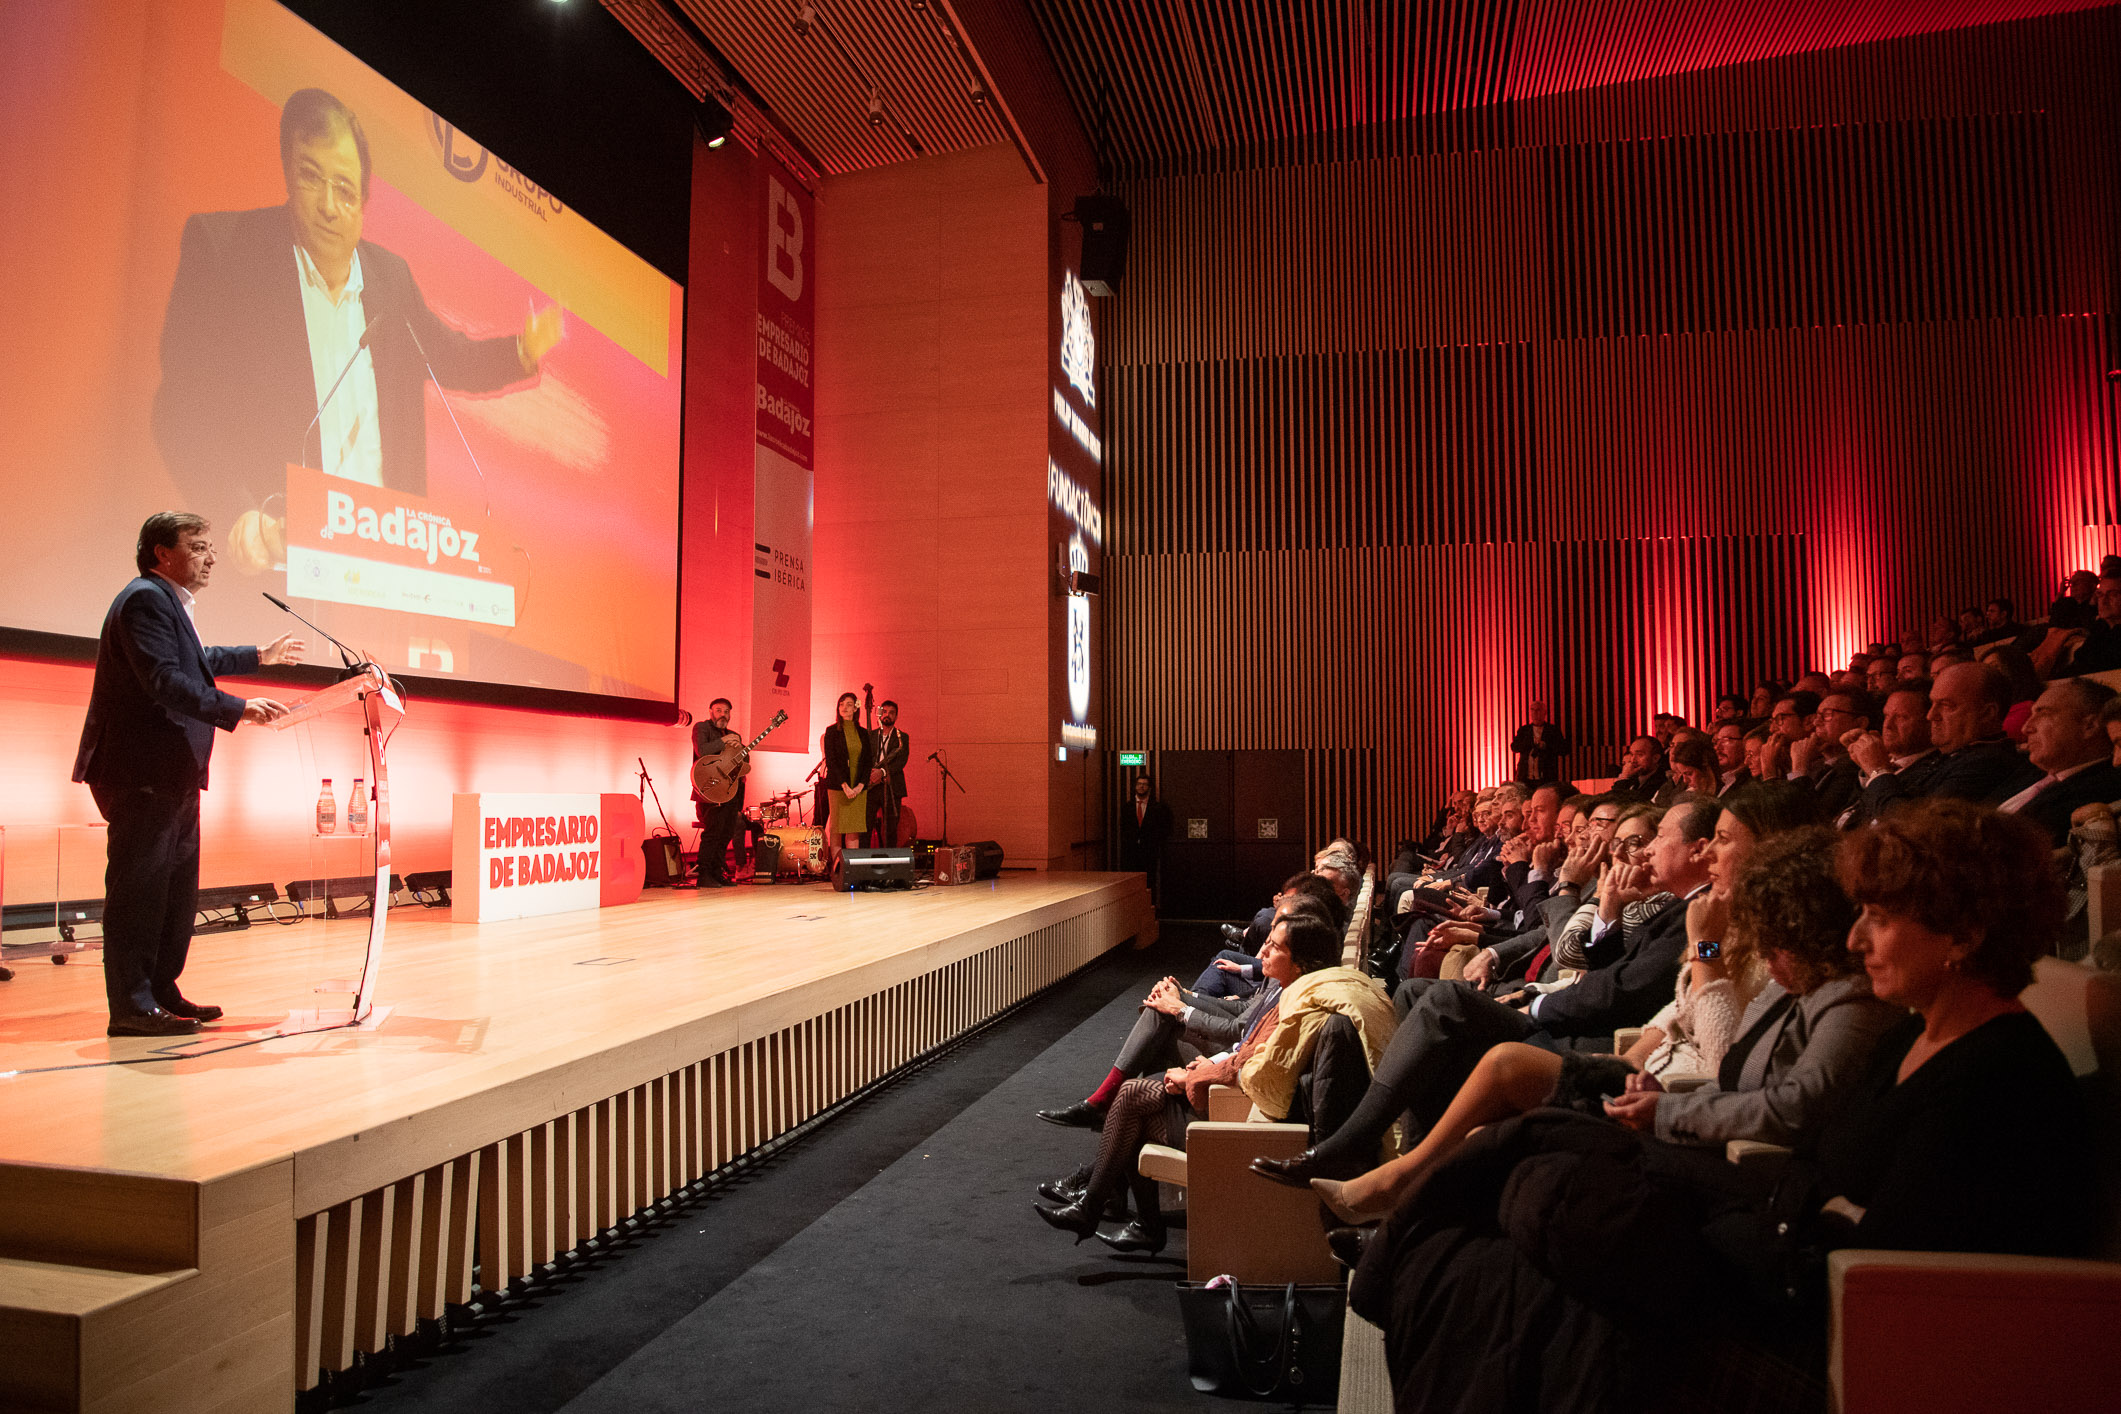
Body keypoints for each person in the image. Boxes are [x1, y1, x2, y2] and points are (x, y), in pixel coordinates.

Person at [1347, 800, 2095, 1414]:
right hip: (1740, 1200)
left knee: (1520, 1226)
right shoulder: (1909, 1030)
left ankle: (1392, 1213)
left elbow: (1879, 1265)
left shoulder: (1984, 1072)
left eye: (1881, 916)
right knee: (1510, 1214)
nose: (1858, 935)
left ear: (1963, 935)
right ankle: (1399, 1219)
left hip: (1823, 1318)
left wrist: (1702, 1197)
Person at [1311, 821, 1898, 1225]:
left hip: (1684, 1111)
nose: (1628, 854)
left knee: (1474, 1051)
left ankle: (1386, 1182)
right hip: (1646, 1069)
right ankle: (1395, 1195)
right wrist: (1602, 910)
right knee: (1438, 1015)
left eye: (1721, 840)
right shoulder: (1722, 926)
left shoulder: (1781, 963)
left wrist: (1701, 953)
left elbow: (1715, 1043)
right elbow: (1669, 1005)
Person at [153, 89, 562, 549]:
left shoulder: (390, 279)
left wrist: (521, 351)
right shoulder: (226, 253)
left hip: (384, 559)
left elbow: (447, 356)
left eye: (345, 190)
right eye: (311, 177)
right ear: (289, 171)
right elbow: (180, 408)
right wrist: (236, 515)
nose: (329, 205)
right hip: (279, 562)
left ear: (364, 202)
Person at [1253, 794, 1724, 1186]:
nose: (1635, 854)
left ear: (1702, 850)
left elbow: (1608, 985)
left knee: (1444, 999)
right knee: (1417, 992)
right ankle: (1380, 1142)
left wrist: (1571, 903)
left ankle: (1356, 1145)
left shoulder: (1700, 919)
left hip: (1588, 1042)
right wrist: (1606, 911)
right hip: (1572, 1010)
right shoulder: (1679, 908)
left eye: (1649, 840)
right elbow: (1600, 969)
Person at [1032, 904, 1387, 1253]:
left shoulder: (1297, 1004)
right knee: (1134, 1096)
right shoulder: (1299, 991)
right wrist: (1204, 1057)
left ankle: (1109, 1208)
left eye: (1274, 946)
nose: (1261, 949)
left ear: (1301, 961)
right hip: (1239, 1097)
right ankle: (1115, 1211)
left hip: (1247, 1125)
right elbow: (1248, 1054)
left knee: (1132, 1100)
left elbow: (1254, 1070)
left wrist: (1198, 1076)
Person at [75, 514, 302, 1036]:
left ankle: (160, 989)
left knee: (175, 892)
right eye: (198, 546)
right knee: (140, 890)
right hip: (141, 771)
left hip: (171, 771)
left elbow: (196, 660)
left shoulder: (166, 602)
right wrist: (239, 708)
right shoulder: (145, 599)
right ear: (161, 553)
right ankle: (131, 1005)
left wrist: (258, 656)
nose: (212, 556)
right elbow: (165, 680)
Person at [1998, 677, 2121, 844]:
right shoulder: (2028, 770)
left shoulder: (2100, 788)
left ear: (2090, 726)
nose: (2026, 728)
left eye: (2042, 713)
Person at [690, 698, 746, 886]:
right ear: (710, 712)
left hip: (729, 792)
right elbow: (702, 750)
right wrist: (724, 741)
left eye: (727, 711)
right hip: (708, 791)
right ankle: (703, 874)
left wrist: (743, 751)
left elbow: (743, 766)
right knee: (712, 832)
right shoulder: (702, 728)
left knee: (726, 833)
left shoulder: (734, 736)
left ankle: (716, 872)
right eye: (719, 710)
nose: (723, 714)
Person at [820, 691, 874, 857]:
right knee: (837, 829)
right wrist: (845, 786)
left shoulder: (863, 733)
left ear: (856, 708)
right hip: (838, 788)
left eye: (849, 704)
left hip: (858, 788)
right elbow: (832, 762)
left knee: (853, 829)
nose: (844, 707)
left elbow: (867, 762)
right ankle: (838, 870)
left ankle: (852, 870)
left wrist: (859, 786)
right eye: (841, 704)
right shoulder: (831, 731)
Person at [1117, 773, 1172, 901]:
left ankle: (1149, 909)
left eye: (1144, 784)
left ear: (1149, 788)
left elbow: (1164, 828)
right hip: (1130, 853)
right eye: (1139, 784)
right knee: (1131, 883)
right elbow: (1123, 828)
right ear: (1135, 786)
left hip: (1149, 852)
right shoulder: (1127, 807)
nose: (1141, 787)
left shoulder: (1158, 808)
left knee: (1149, 882)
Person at [867, 699, 912, 845]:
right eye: (885, 712)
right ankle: (864, 864)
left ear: (896, 716)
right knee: (865, 827)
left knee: (891, 829)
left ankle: (889, 864)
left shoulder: (902, 737)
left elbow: (901, 761)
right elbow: (864, 758)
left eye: (892, 713)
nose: (888, 715)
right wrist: (871, 774)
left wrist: (882, 773)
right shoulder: (870, 735)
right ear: (880, 714)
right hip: (871, 787)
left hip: (891, 787)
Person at [1509, 703, 1569, 786]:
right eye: (1532, 710)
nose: (1535, 713)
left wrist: (1546, 746)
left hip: (1546, 778)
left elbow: (1564, 750)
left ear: (1544, 712)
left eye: (1538, 710)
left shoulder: (1553, 730)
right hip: (1525, 778)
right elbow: (1514, 747)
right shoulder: (1524, 730)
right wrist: (1528, 744)